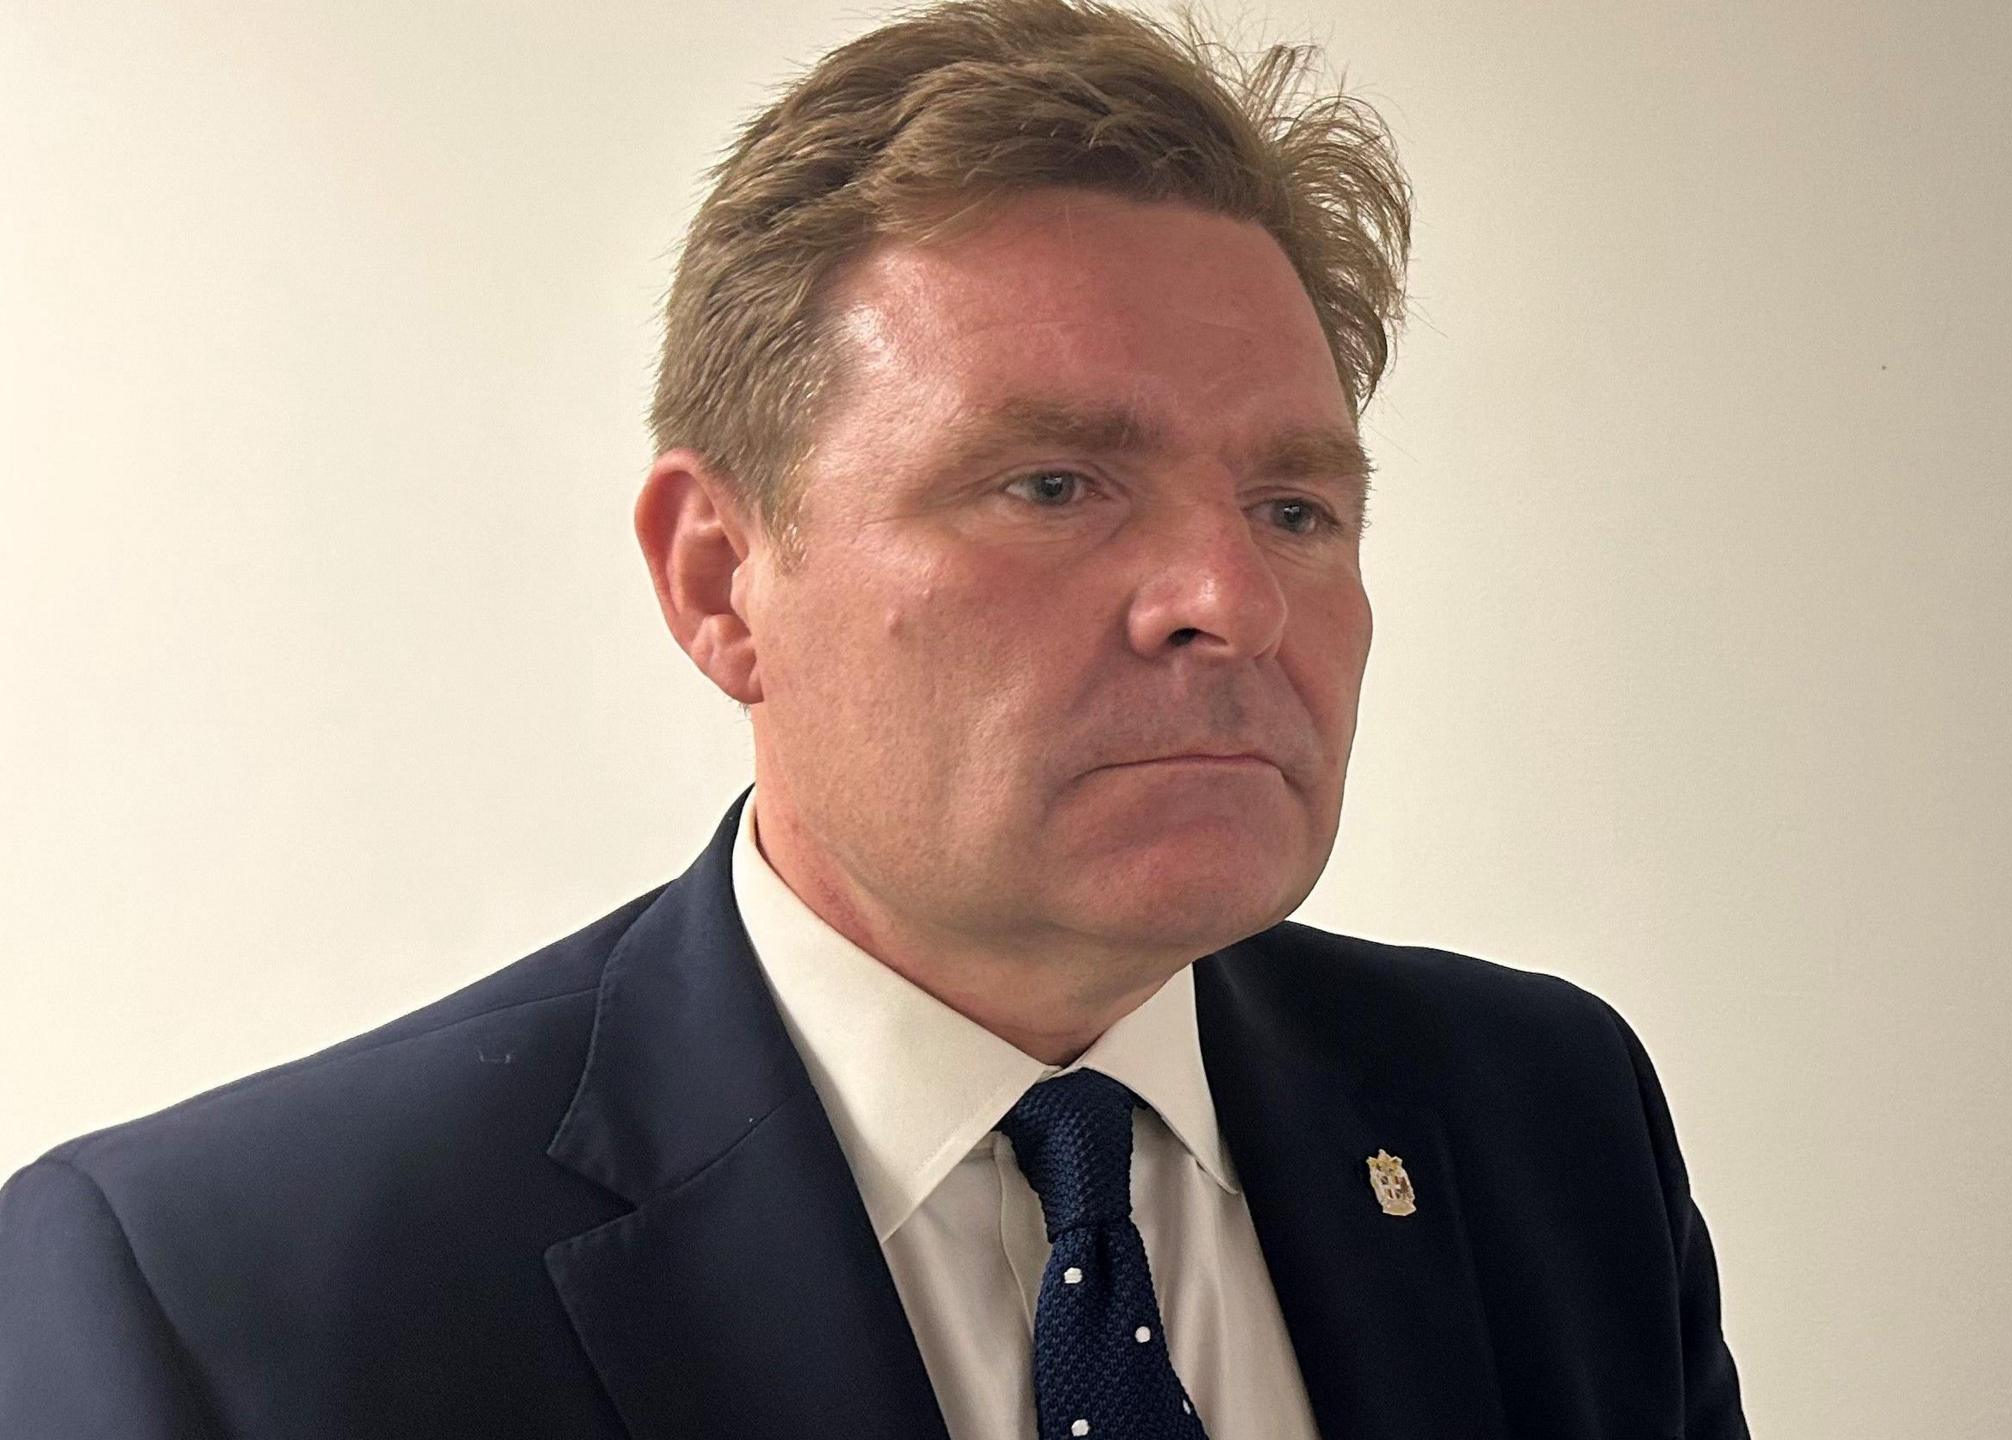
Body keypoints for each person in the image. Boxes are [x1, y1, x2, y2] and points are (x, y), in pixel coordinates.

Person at [0, 1, 1749, 1435]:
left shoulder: (1544, 1119)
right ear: (718, 577)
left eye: (1296, 507)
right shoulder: (210, 1303)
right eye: (1056, 484)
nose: (1231, 598)